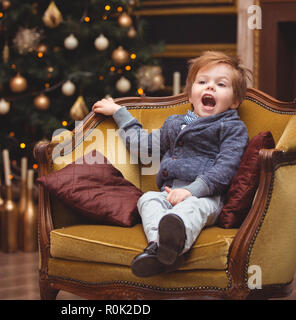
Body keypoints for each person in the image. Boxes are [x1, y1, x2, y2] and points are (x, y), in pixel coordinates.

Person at [92, 51, 251, 277]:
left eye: (221, 84)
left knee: (191, 209)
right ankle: (158, 247)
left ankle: (174, 248)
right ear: (190, 94)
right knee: (147, 199)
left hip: (205, 197)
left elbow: (226, 169)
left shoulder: (232, 128)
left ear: (235, 101)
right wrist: (120, 113)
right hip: (168, 195)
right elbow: (143, 146)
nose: (210, 88)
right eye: (202, 82)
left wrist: (190, 191)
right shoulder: (176, 124)